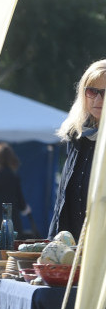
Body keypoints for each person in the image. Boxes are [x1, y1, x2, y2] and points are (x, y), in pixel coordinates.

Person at [48, 59, 106, 239]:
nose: (97, 99)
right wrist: (53, 245)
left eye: (105, 93)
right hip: (73, 249)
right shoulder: (77, 137)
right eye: (92, 91)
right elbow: (62, 202)